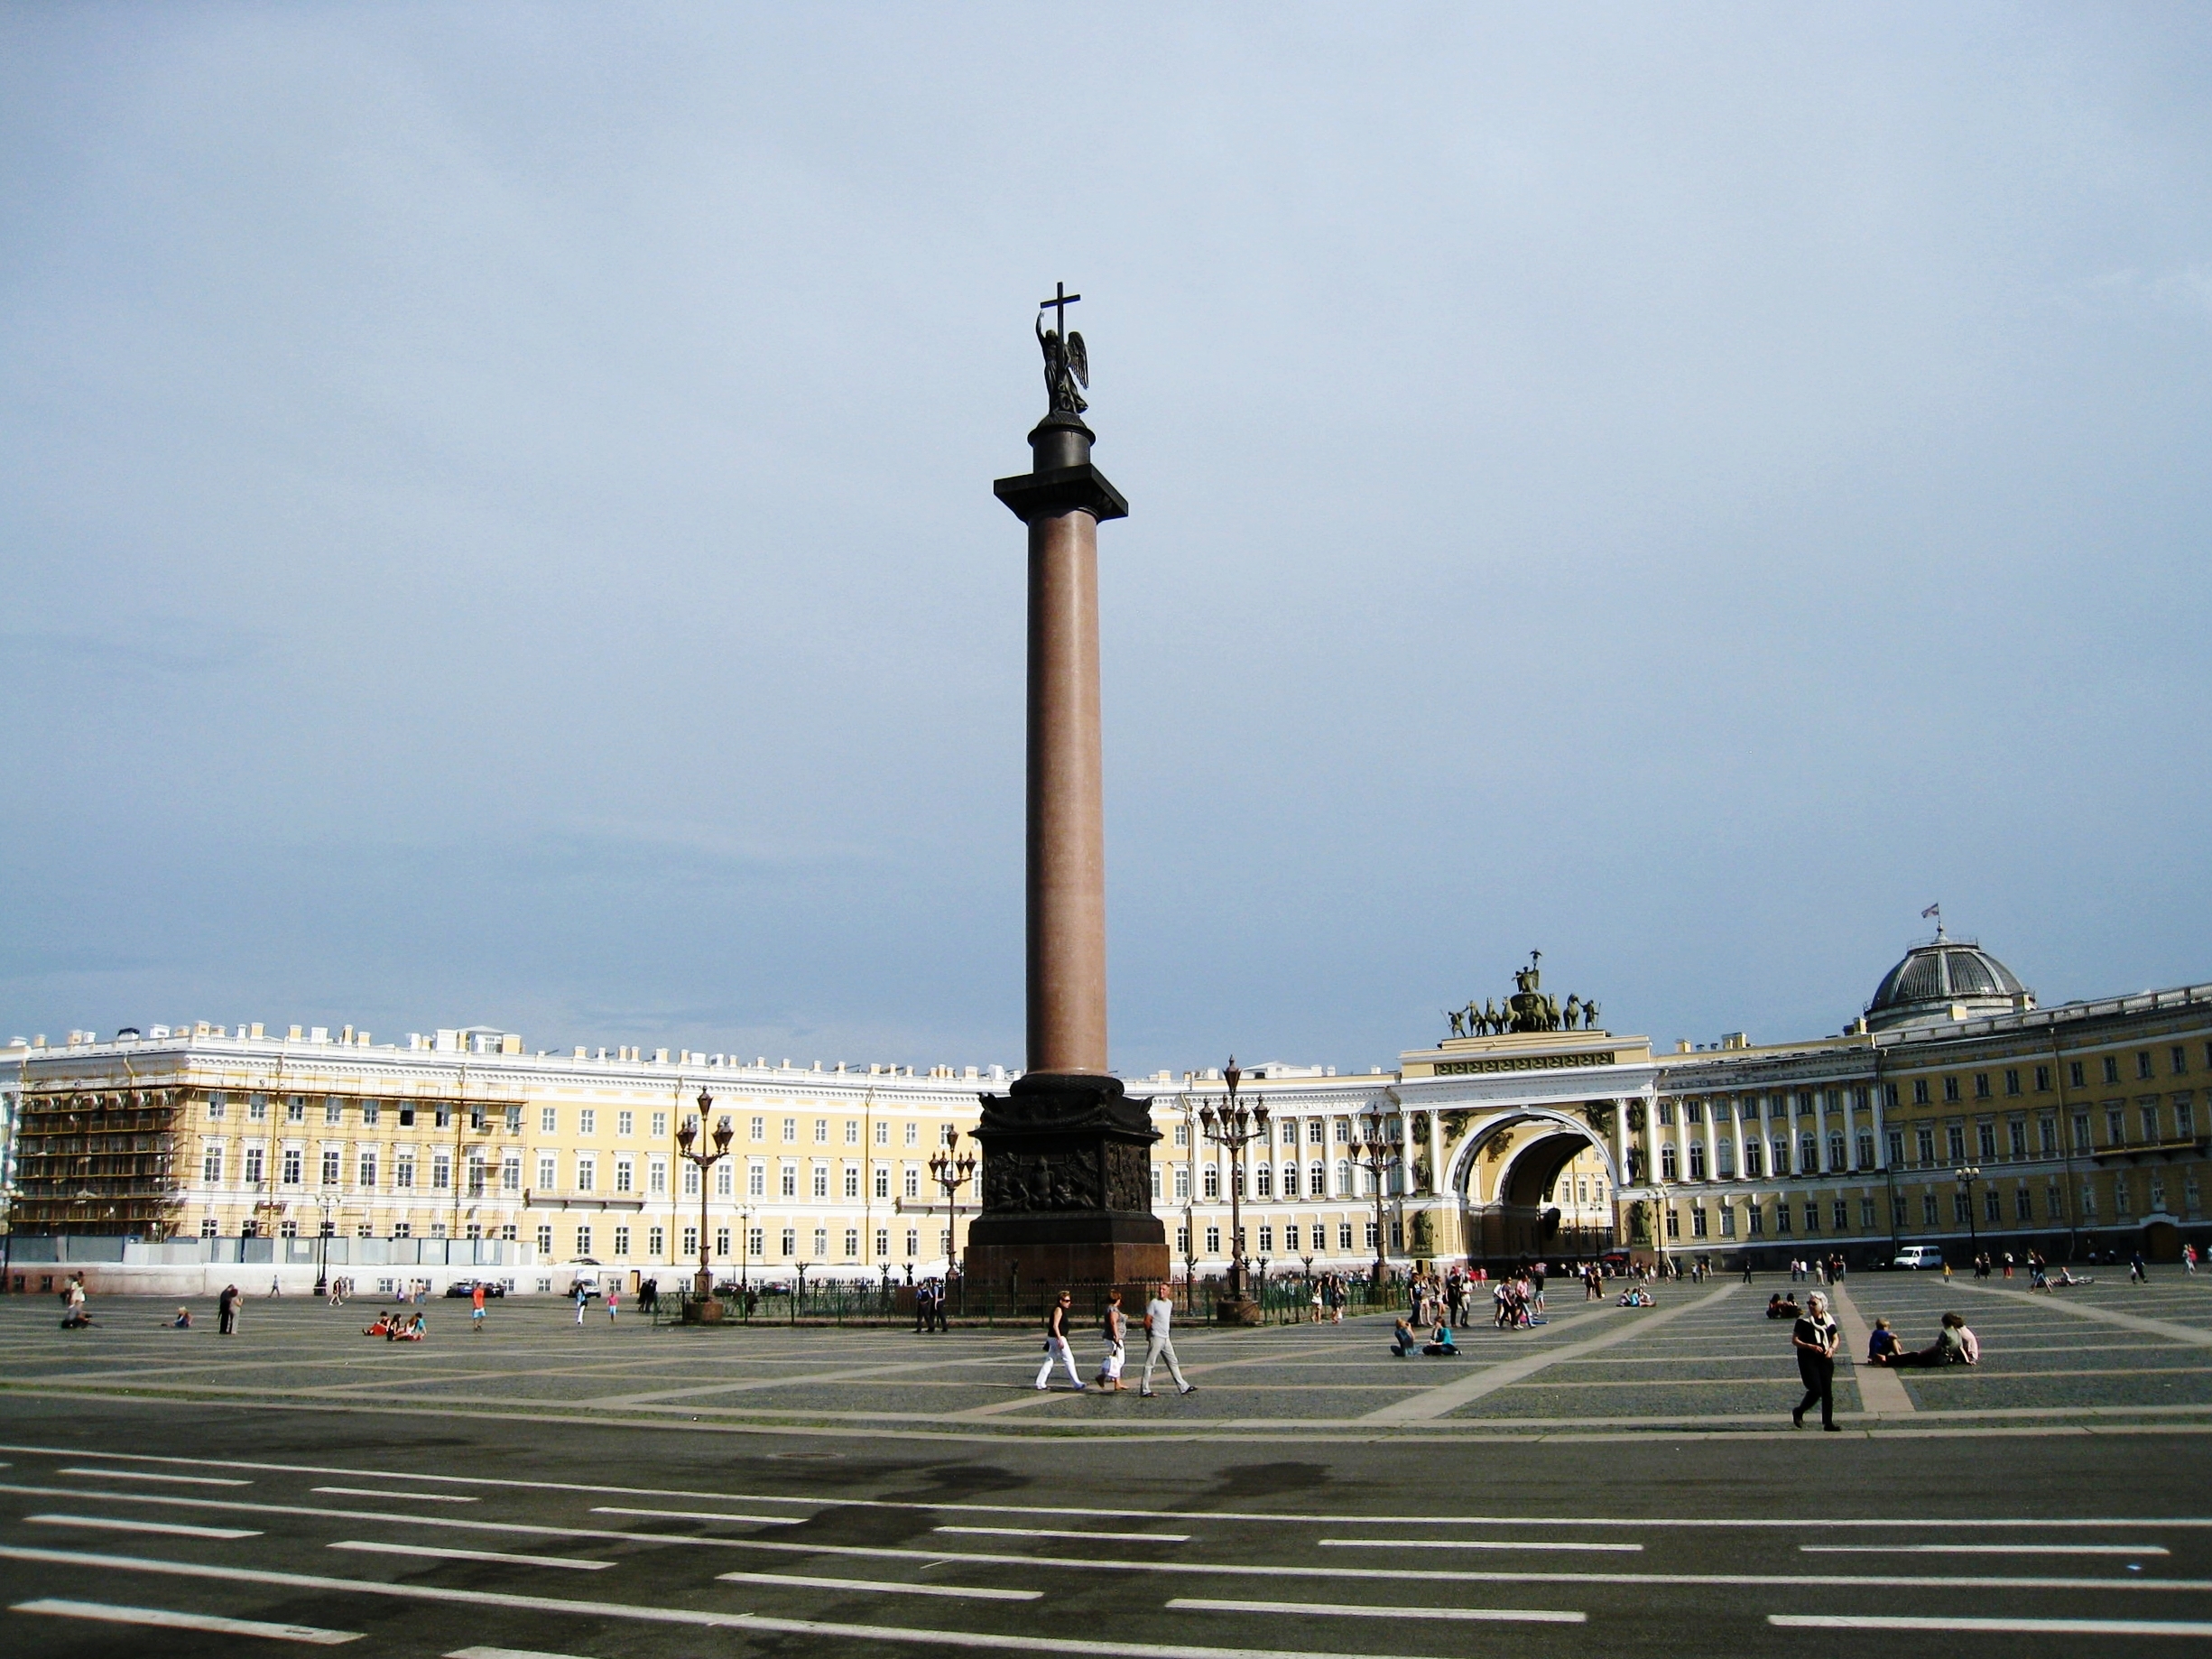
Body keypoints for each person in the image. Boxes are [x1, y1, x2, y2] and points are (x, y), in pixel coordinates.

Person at [1791, 1289, 1841, 1430]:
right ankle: (1799, 1411)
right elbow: (1795, 1340)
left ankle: (1828, 1423)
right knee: (1816, 1389)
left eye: (1814, 1303)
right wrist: (1809, 1346)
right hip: (1807, 1358)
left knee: (1827, 1391)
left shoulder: (1828, 1319)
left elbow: (1836, 1338)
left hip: (1824, 1358)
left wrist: (1831, 1349)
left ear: (1822, 1304)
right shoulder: (1803, 1321)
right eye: (1809, 1303)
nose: (1811, 1306)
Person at [1141, 1282, 1194, 1396]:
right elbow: (1147, 1320)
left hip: (1166, 1337)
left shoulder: (1169, 1303)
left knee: (1173, 1361)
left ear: (1169, 1291)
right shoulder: (1154, 1303)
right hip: (1156, 1336)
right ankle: (1144, 1389)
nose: (1161, 1291)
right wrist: (1149, 1334)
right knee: (1150, 1363)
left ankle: (1183, 1386)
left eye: (1164, 1289)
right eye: (1160, 1289)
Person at [1034, 1291, 1084, 1391]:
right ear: (1060, 1301)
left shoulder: (1060, 1309)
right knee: (1069, 1359)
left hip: (1053, 1337)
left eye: (1069, 1300)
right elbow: (1055, 1325)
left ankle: (1040, 1382)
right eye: (1066, 1300)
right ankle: (1076, 1383)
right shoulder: (1059, 1310)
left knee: (1050, 1360)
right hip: (1058, 1337)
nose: (1068, 1302)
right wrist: (1059, 1339)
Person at [1096, 1289, 1128, 1391]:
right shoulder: (1113, 1309)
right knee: (1120, 1360)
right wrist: (1116, 1336)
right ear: (1117, 1299)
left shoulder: (1111, 1308)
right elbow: (1113, 1322)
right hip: (1114, 1337)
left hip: (1112, 1337)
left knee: (1116, 1360)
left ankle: (1116, 1382)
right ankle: (1103, 1376)